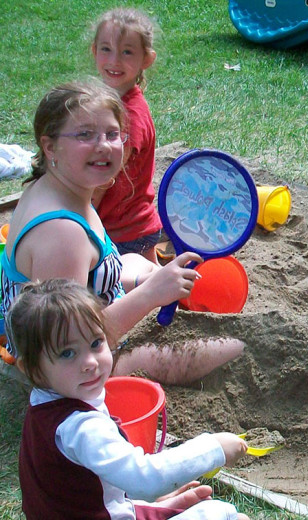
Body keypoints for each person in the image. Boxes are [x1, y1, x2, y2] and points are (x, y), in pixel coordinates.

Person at [0, 80, 244, 384]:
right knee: (229, 349)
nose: (103, 145)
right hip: (63, 358)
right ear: (50, 147)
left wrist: (151, 282)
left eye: (112, 134)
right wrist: (151, 295)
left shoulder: (62, 188)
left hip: (87, 305)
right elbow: (68, 343)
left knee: (138, 264)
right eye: (85, 134)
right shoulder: (62, 235)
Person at [9, 278, 249, 520]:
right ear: (33, 369)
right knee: (222, 512)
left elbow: (85, 491)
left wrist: (142, 505)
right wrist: (214, 448)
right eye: (67, 353)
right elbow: (144, 478)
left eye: (95, 343)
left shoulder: (44, 402)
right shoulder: (81, 427)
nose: (90, 362)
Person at [91, 7, 161, 263]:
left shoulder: (128, 116)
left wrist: (80, 211)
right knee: (152, 280)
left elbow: (105, 176)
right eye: (106, 49)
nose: (114, 61)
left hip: (125, 229)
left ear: (147, 59)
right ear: (94, 51)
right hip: (128, 222)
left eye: (127, 52)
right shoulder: (111, 103)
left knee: (137, 286)